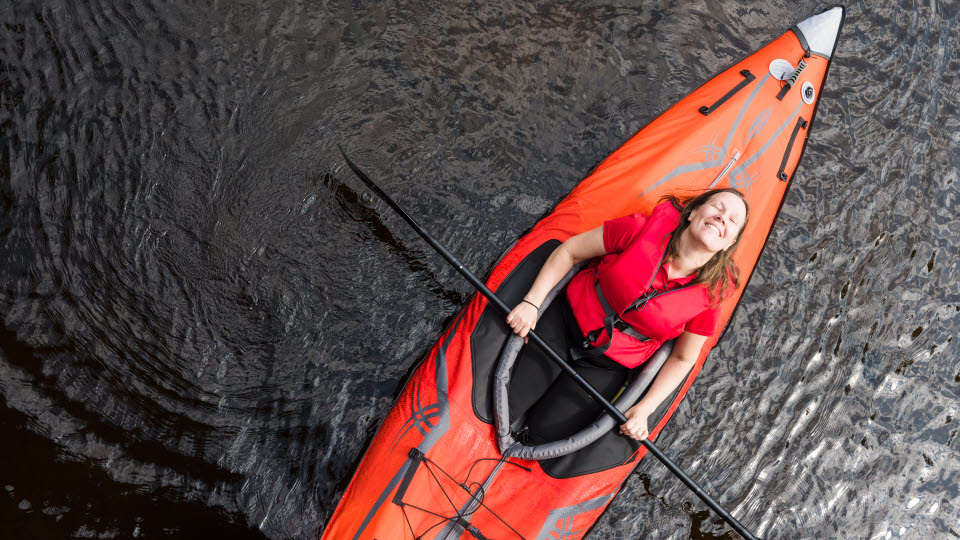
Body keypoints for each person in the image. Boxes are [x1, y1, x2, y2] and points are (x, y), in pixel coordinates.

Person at [505, 188, 749, 445]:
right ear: (693, 213)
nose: (722, 218)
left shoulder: (712, 295)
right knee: (510, 403)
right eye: (717, 208)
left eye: (732, 220)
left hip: (607, 365)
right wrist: (531, 303)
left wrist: (646, 408)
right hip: (564, 324)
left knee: (542, 437)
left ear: (729, 242)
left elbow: (682, 357)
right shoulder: (640, 228)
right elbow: (570, 252)